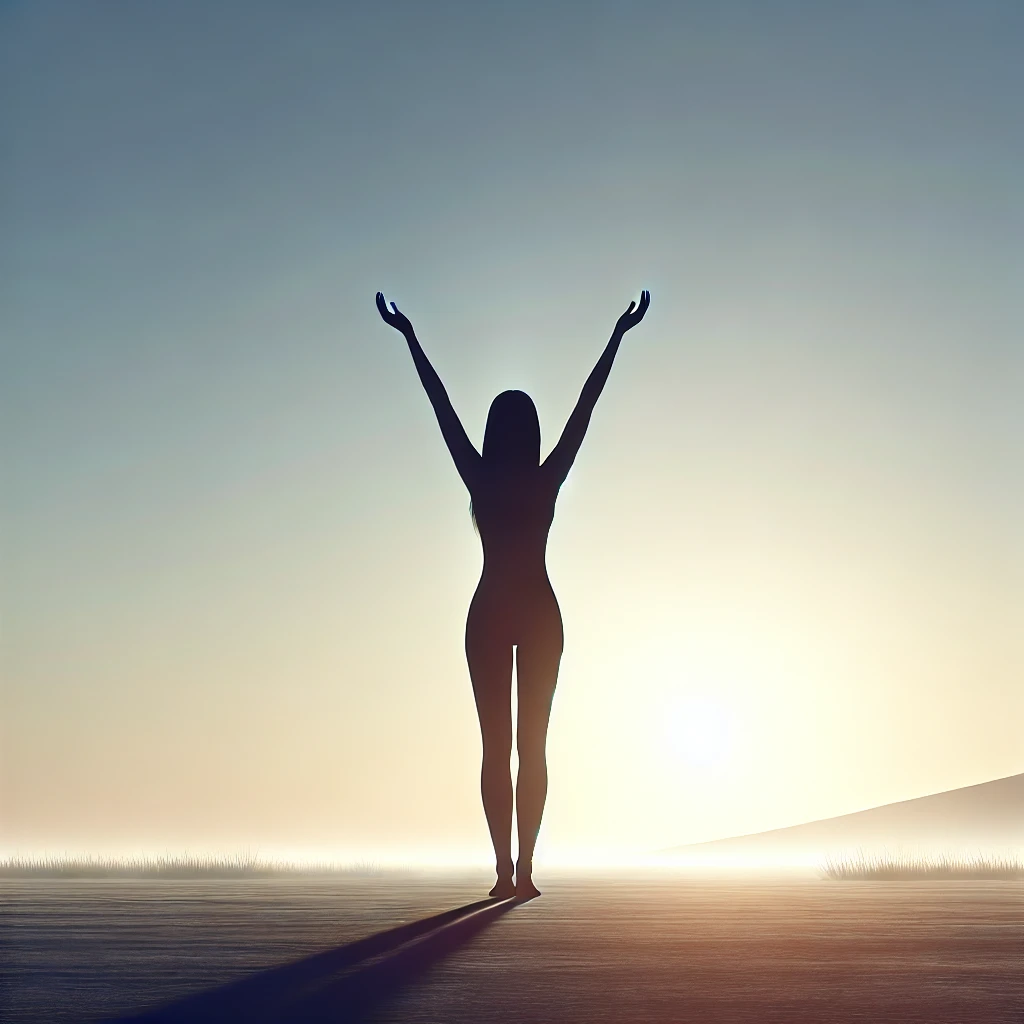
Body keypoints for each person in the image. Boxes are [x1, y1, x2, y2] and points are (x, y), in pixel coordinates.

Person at [376, 289, 650, 899]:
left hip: (494, 612)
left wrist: (410, 335)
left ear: (493, 433)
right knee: (529, 747)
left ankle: (508, 870)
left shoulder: (480, 476)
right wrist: (617, 335)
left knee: (499, 747)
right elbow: (585, 406)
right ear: (529, 435)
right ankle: (520, 871)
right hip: (534, 613)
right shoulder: (545, 477)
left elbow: (440, 403)